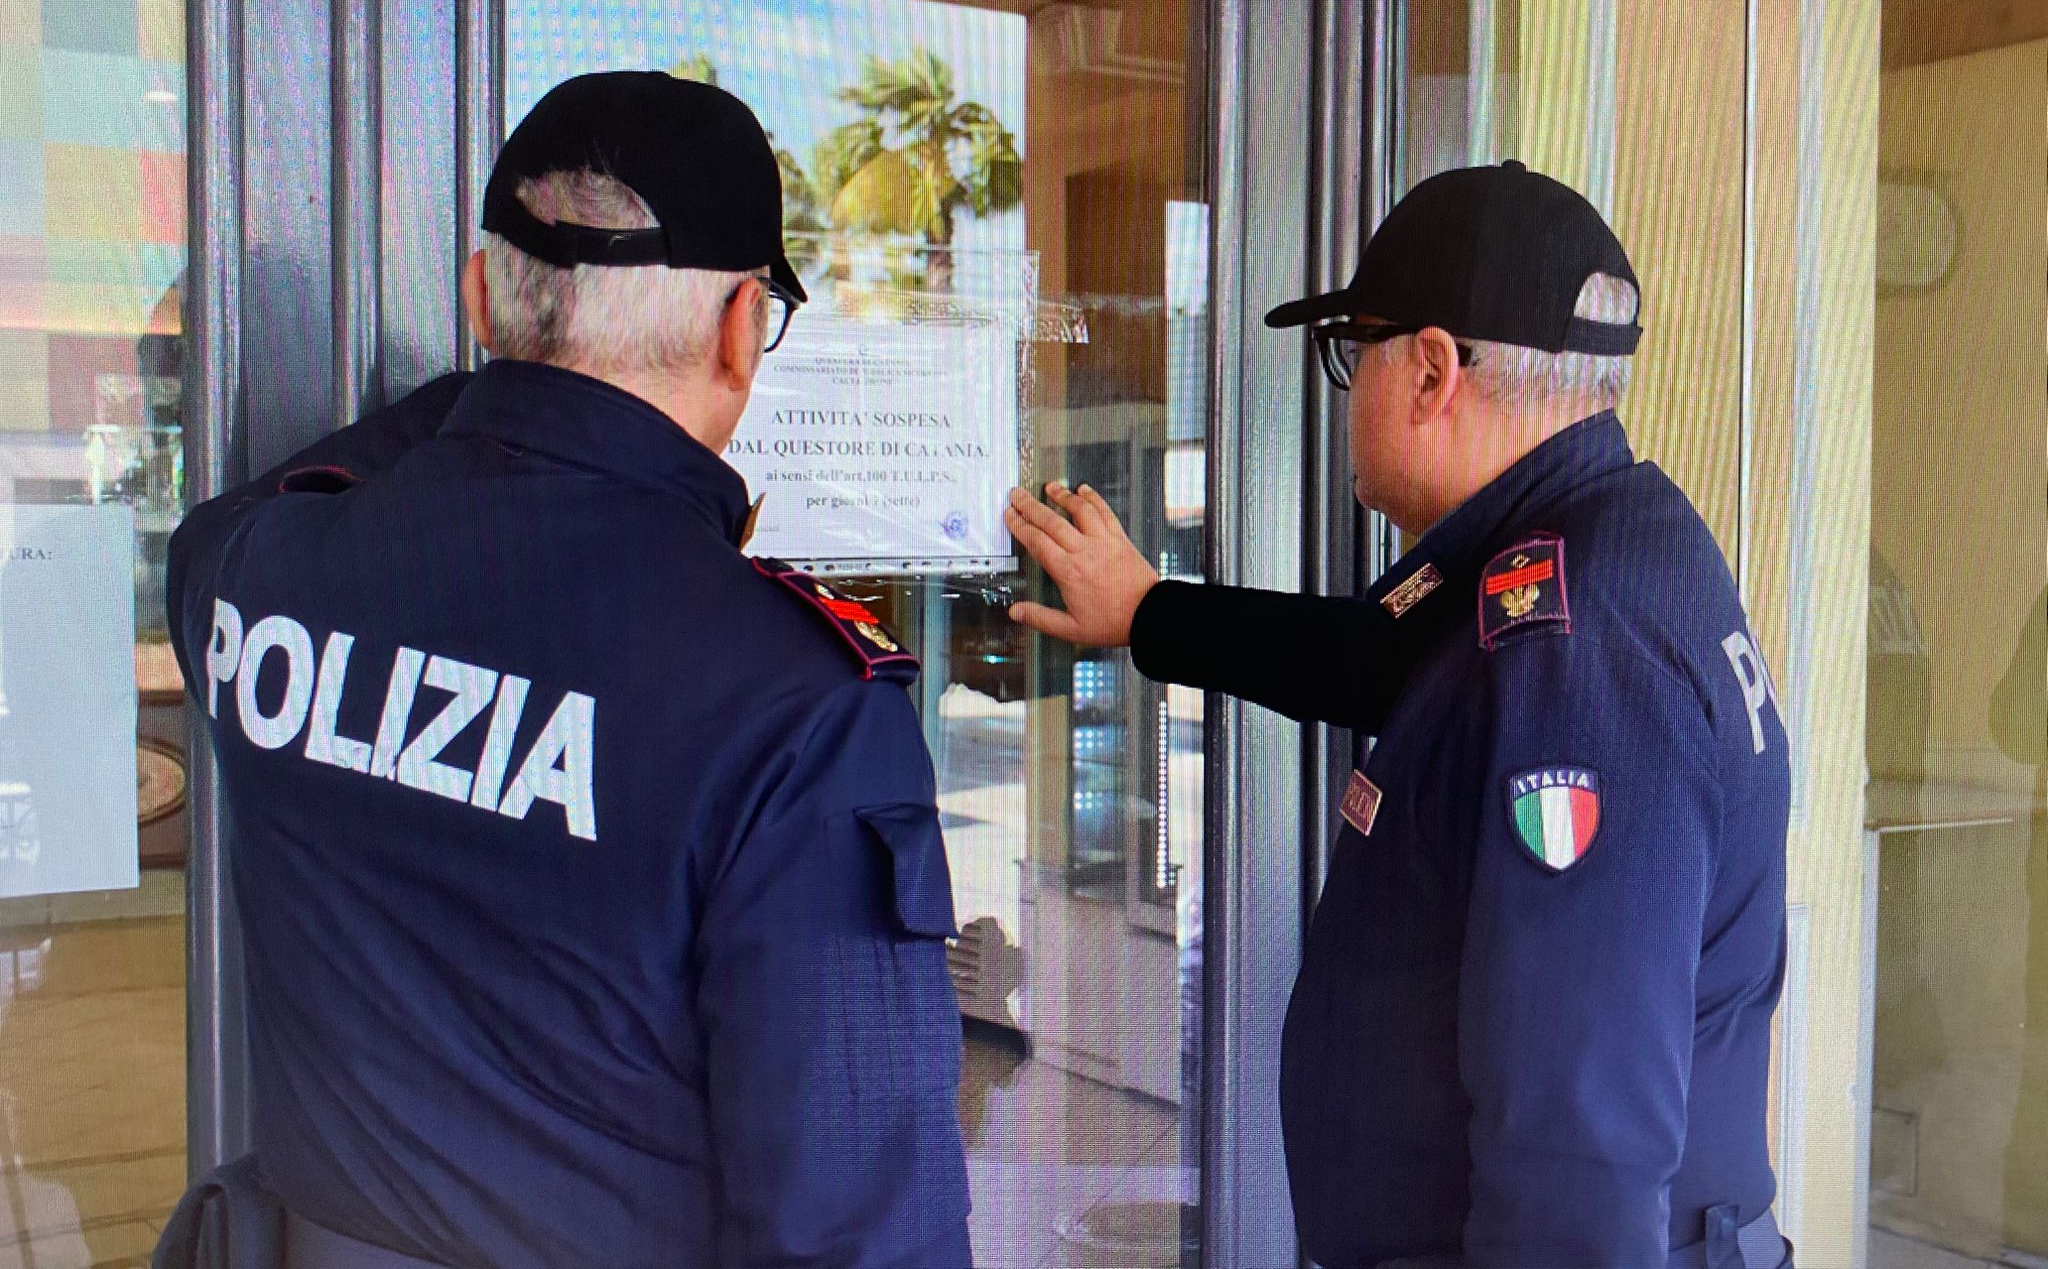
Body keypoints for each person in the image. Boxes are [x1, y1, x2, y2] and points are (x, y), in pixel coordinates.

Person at [160, 72, 972, 1269]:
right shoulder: (795, 710)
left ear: (484, 297)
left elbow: (226, 519)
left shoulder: (261, 577)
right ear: (743, 326)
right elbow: (859, 1228)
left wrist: (507, 396)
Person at [1004, 161, 1792, 1269]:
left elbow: (1575, 1151)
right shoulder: (1579, 544)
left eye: (1349, 354)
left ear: (1428, 371)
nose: (1346, 394)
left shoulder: (1571, 651)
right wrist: (1148, 612)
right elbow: (1377, 658)